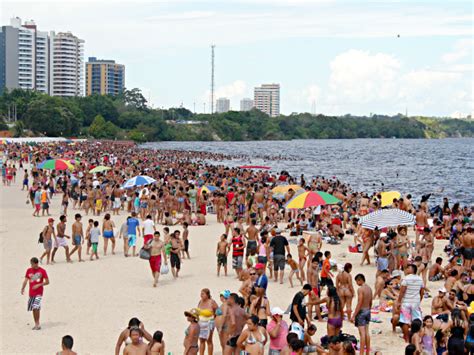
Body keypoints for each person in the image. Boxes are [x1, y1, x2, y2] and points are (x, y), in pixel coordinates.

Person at [21, 257, 49, 330]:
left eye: (32, 264)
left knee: (36, 307)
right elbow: (26, 280)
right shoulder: (29, 270)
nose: (31, 265)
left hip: (39, 292)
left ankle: (37, 324)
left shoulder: (42, 271)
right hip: (31, 293)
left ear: (36, 264)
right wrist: (22, 288)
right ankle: (36, 323)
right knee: (33, 308)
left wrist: (39, 285)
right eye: (31, 264)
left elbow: (47, 282)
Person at [398, 264, 424, 342]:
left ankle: (406, 338)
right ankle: (416, 336)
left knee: (405, 320)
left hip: (406, 302)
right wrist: (419, 300)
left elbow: (402, 291)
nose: (406, 269)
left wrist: (399, 301)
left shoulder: (406, 279)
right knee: (416, 319)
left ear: (412, 269)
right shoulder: (420, 279)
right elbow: (422, 291)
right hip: (415, 302)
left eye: (408, 268)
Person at [351, 273, 372, 355]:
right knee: (367, 332)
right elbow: (370, 301)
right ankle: (367, 352)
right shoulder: (369, 288)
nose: (357, 283)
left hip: (362, 311)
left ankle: (361, 353)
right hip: (368, 310)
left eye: (357, 281)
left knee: (362, 334)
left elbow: (359, 302)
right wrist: (369, 310)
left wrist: (354, 315)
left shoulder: (360, 289)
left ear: (360, 280)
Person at [197, 288, 218, 355]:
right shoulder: (200, 301)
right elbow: (198, 311)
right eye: (201, 293)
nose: (201, 295)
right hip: (201, 323)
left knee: (209, 340)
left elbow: (217, 311)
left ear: (207, 294)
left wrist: (214, 319)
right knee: (201, 340)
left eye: (203, 294)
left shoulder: (211, 301)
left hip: (209, 323)